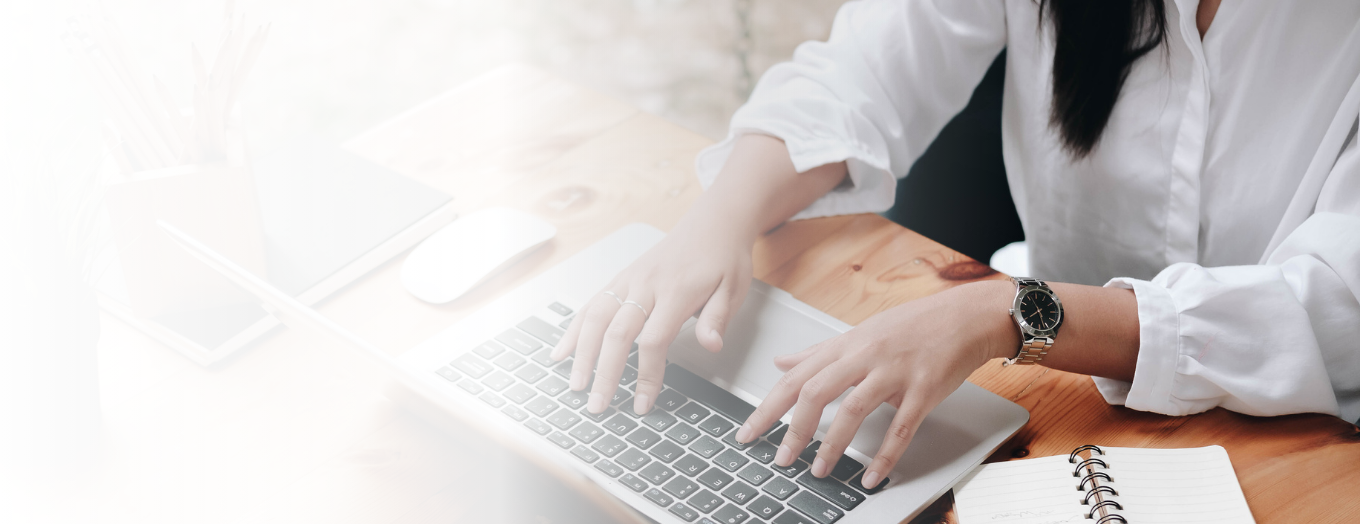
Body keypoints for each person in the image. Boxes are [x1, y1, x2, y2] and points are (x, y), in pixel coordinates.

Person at [549, 0, 1360, 490]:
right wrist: (714, 222)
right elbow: (859, 74)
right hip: (1064, 407)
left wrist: (1011, 313)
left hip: (1304, 442)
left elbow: (1334, 308)